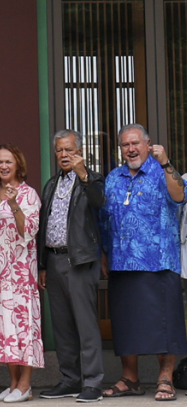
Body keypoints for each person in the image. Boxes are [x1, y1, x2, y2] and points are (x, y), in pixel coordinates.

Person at [98, 124, 187, 401]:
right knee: (126, 323)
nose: (131, 149)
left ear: (148, 144)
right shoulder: (114, 177)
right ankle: (130, 378)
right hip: (122, 262)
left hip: (159, 260)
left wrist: (167, 163)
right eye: (125, 145)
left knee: (165, 323)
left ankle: (165, 378)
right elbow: (104, 219)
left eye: (136, 143)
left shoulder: (164, 173)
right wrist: (104, 254)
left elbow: (180, 195)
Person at [36, 130, 105, 403]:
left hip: (80, 260)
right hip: (53, 261)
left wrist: (84, 175)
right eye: (60, 151)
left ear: (80, 151)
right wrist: (42, 264)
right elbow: (44, 226)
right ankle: (70, 380)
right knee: (62, 325)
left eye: (69, 150)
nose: (64, 155)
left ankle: (94, 383)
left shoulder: (93, 179)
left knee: (86, 325)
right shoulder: (51, 184)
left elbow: (100, 202)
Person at [0, 144, 43, 403]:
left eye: (9, 162)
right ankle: (13, 383)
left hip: (20, 272)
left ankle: (25, 385)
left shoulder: (28, 194)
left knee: (23, 326)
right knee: (5, 328)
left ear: (18, 165)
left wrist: (14, 204)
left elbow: (29, 232)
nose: (4, 166)